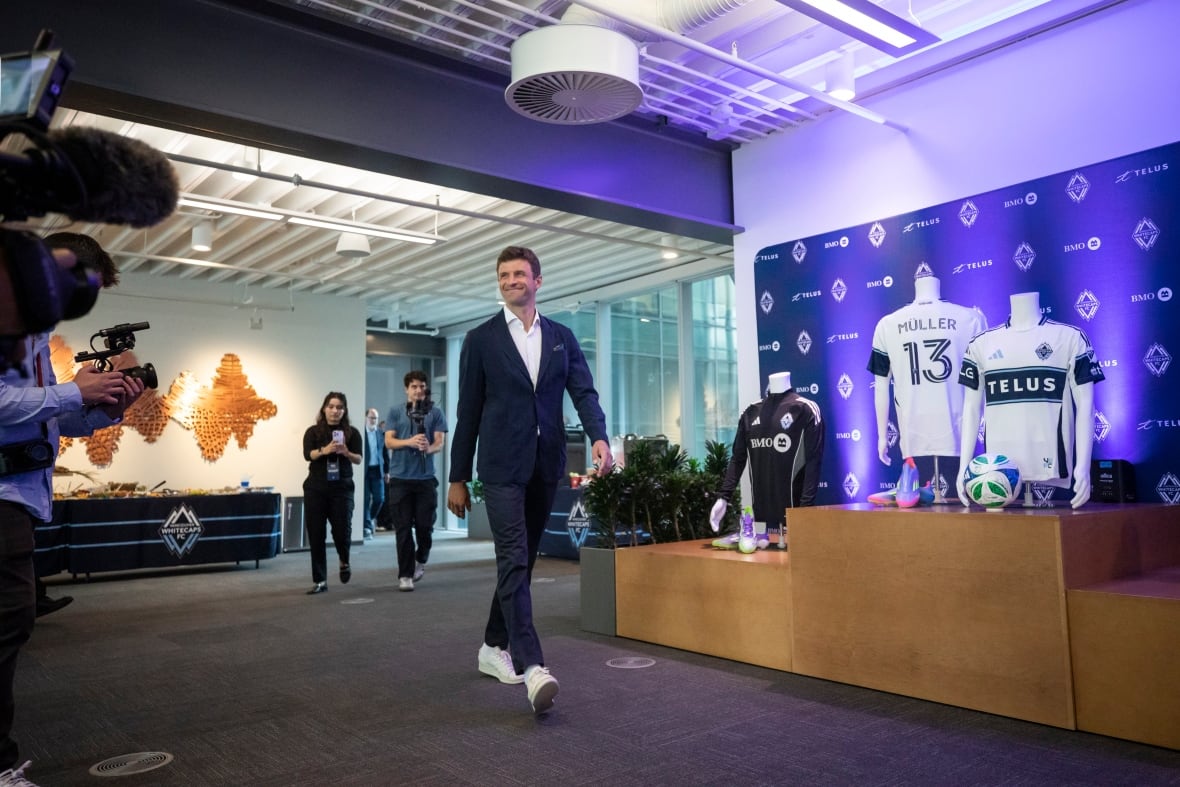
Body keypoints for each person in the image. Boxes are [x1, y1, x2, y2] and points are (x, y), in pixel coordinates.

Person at [446, 245, 611, 715]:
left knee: (522, 562)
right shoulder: (480, 340)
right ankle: (533, 665)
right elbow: (467, 413)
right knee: (514, 556)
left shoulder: (561, 337)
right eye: (503, 274)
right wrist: (458, 478)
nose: (511, 280)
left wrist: (599, 438)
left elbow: (583, 391)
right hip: (499, 468)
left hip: (546, 466)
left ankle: (490, 646)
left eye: (519, 273)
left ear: (538, 280)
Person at [1, 237, 144, 777]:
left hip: (19, 496)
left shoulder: (36, 339)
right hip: (3, 498)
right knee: (8, 620)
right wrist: (71, 393)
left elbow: (44, 421)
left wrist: (106, 408)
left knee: (11, 622)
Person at [956, 291, 1104, 509]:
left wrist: (1082, 467)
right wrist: (964, 468)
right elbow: (970, 408)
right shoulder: (981, 343)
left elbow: (1086, 407)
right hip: (998, 470)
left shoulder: (1069, 337)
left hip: (1050, 461)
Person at [867, 274, 986, 465]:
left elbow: (881, 387)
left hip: (915, 429)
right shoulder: (972, 318)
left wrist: (882, 438)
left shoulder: (887, 324)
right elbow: (983, 383)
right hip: (957, 430)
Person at [709, 371, 824, 547]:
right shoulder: (750, 412)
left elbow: (813, 462)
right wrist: (723, 497)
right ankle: (752, 531)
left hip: (795, 519)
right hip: (762, 515)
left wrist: (804, 512)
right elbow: (738, 458)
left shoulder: (805, 408)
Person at [384, 371, 447, 591]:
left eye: (422, 386)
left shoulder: (436, 413)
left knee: (424, 527)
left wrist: (428, 447)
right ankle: (405, 575)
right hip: (400, 479)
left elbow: (440, 442)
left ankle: (422, 558)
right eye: (414, 387)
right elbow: (389, 442)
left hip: (425, 479)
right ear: (406, 389)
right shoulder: (395, 412)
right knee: (402, 529)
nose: (419, 390)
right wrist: (409, 442)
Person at [301, 392, 362, 594]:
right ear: (324, 408)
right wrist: (324, 451)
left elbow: (359, 459)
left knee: (342, 531)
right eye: (331, 406)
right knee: (316, 534)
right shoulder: (313, 432)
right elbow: (307, 455)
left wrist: (346, 452)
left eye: (339, 407)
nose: (335, 411)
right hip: (316, 488)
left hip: (342, 488)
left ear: (344, 411)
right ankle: (320, 580)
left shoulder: (352, 432)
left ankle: (344, 560)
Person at [361, 408, 386, 540]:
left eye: (375, 418)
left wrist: (387, 471)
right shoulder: (361, 432)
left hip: (378, 470)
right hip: (365, 471)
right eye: (371, 418)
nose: (373, 421)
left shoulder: (381, 433)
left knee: (379, 498)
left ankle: (369, 519)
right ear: (366, 418)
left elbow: (385, 453)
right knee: (365, 499)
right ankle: (367, 527)